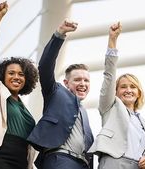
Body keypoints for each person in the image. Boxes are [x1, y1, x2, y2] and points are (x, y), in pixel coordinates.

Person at [0, 2, 39, 169]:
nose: (16, 77)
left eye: (21, 74)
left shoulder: (25, 110)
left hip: (20, 160)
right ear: (2, 76)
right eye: (11, 73)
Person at [27, 19, 94, 169]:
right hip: (60, 159)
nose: (83, 84)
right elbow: (45, 66)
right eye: (77, 80)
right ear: (66, 83)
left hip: (82, 164)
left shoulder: (83, 112)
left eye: (86, 80)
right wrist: (59, 35)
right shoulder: (56, 92)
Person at [88, 22, 145, 169]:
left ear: (139, 93)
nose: (128, 90)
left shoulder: (143, 123)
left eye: (133, 87)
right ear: (116, 92)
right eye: (123, 87)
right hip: (115, 162)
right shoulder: (110, 107)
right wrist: (112, 40)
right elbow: (109, 75)